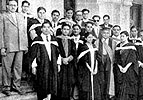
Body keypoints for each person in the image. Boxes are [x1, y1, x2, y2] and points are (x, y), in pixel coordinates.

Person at [0, 0, 28, 96]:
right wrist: (2, 47)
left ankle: (16, 86)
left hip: (20, 45)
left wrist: (25, 45)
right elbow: (0, 32)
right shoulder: (3, 16)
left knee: (18, 67)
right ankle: (6, 87)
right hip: (9, 46)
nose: (13, 7)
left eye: (15, 5)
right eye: (11, 5)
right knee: (7, 67)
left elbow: (24, 31)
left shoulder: (20, 16)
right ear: (7, 6)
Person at [29, 22, 61, 100]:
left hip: (53, 65)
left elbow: (58, 53)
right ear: (41, 29)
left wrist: (58, 64)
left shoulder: (54, 39)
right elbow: (33, 55)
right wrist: (33, 66)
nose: (46, 29)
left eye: (48, 27)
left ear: (50, 28)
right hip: (42, 65)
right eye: (45, 27)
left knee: (53, 82)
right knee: (42, 83)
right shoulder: (37, 40)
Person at [113, 31, 138, 100]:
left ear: (127, 37)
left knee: (128, 86)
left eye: (123, 36)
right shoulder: (118, 46)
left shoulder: (131, 46)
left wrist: (126, 68)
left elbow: (132, 58)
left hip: (129, 69)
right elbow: (116, 58)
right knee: (119, 86)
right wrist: (120, 67)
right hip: (119, 69)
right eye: (120, 36)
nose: (121, 38)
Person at [77, 33, 103, 100]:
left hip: (95, 70)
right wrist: (90, 69)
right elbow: (83, 60)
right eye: (89, 37)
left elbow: (98, 58)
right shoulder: (83, 47)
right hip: (86, 70)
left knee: (95, 86)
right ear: (85, 38)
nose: (90, 39)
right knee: (86, 86)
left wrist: (95, 68)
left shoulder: (94, 47)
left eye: (91, 37)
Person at [95, 27, 117, 100]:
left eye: (107, 33)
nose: (105, 34)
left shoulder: (113, 42)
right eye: (104, 33)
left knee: (108, 79)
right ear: (101, 33)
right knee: (101, 79)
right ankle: (100, 95)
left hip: (109, 62)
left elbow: (113, 53)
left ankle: (108, 95)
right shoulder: (97, 42)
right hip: (100, 62)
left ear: (110, 33)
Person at [57, 24, 76, 100]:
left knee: (68, 81)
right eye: (64, 29)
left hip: (69, 64)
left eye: (67, 29)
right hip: (60, 63)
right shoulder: (57, 40)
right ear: (61, 30)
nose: (66, 31)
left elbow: (74, 52)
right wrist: (62, 59)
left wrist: (68, 59)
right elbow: (55, 51)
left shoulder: (71, 40)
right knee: (60, 81)